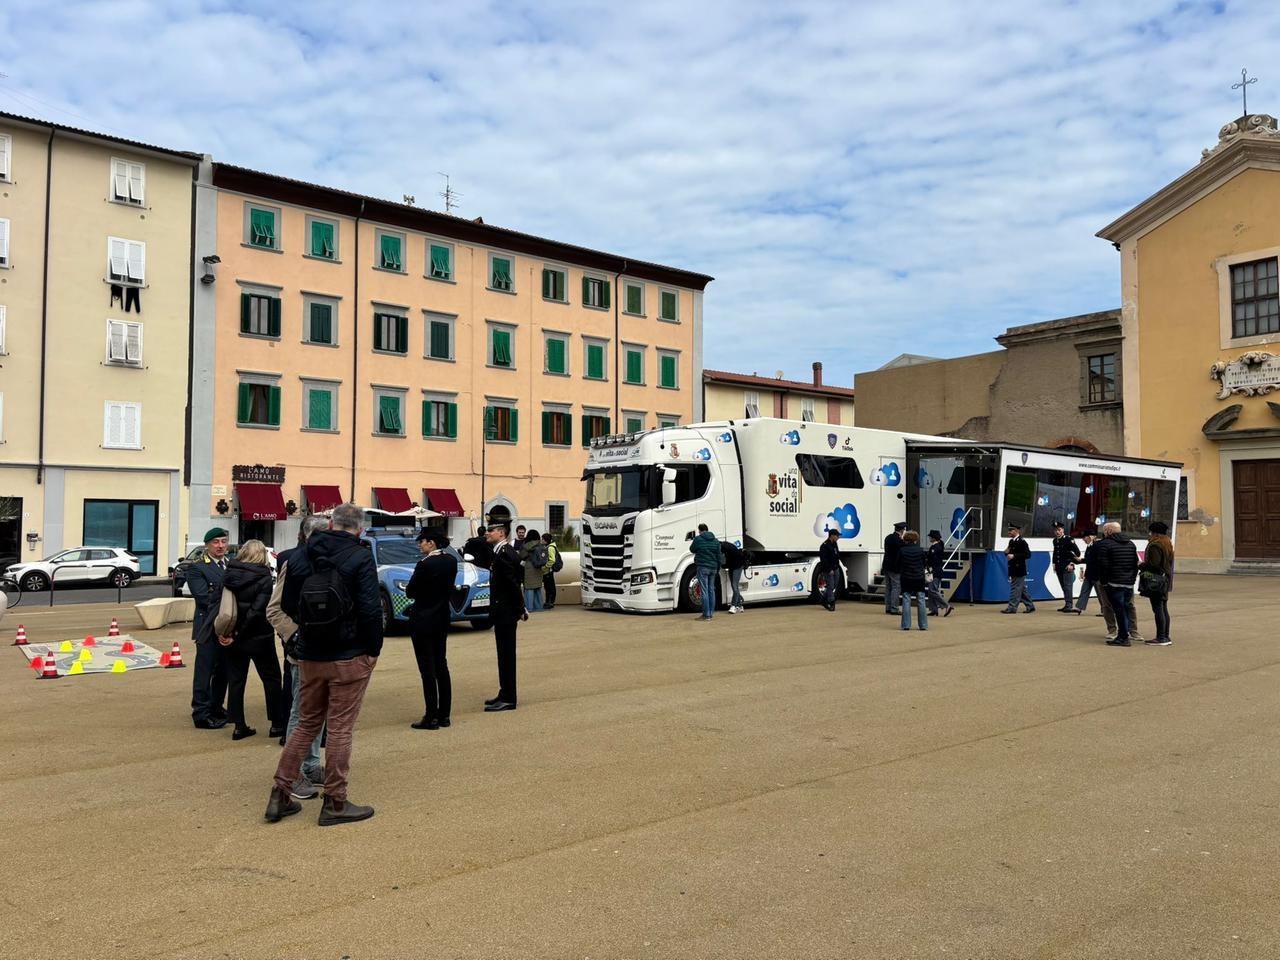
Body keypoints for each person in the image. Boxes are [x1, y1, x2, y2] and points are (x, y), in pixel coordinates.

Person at [266, 502, 383, 826]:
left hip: (310, 654)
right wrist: (373, 649)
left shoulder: (300, 556)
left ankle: (280, 792)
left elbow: (288, 604)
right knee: (340, 728)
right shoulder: (360, 556)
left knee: (306, 724)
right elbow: (370, 609)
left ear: (331, 524)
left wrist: (303, 637)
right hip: (349, 653)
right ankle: (335, 800)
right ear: (359, 529)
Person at [267, 515, 328, 801]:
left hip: (327, 652)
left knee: (319, 710)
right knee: (301, 713)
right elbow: (274, 609)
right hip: (302, 652)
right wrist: (295, 636)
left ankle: (311, 764)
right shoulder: (293, 562)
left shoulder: (333, 562)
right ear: (307, 537)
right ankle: (294, 774)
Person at [218, 540, 285, 742]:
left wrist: (229, 632)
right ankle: (277, 723)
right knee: (272, 679)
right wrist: (240, 632)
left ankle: (239, 726)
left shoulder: (229, 573)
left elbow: (221, 604)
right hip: (259, 636)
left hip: (232, 635)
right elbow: (257, 610)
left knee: (236, 681)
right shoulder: (263, 577)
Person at [406, 528, 457, 729]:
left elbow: (411, 591)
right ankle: (444, 714)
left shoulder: (425, 564)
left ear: (431, 543)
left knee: (427, 669)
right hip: (441, 617)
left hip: (423, 619)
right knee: (441, 665)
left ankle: (431, 716)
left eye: (422, 541)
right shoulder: (451, 561)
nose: (420, 545)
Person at [188, 527, 231, 729]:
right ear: (207, 545)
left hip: (227, 626)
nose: (220, 546)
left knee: (223, 670)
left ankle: (216, 706)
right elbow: (203, 598)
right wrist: (230, 605)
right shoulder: (197, 567)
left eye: (223, 541)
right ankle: (201, 712)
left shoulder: (230, 564)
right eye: (216, 542)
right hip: (207, 626)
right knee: (204, 671)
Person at [484, 522, 526, 711]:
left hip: (506, 612)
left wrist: (520, 608)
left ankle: (509, 697)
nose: (487, 533)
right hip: (502, 610)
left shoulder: (505, 554)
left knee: (506, 656)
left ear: (501, 533)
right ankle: (504, 692)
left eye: (491, 530)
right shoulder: (500, 552)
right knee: (503, 655)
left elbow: (512, 584)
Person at [1091, 520, 1140, 647]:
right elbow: (1135, 564)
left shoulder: (1104, 544)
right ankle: (1129, 632)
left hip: (1113, 583)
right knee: (1127, 607)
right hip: (1128, 583)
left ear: (1108, 531)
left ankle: (1122, 636)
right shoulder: (1131, 544)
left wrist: (1104, 582)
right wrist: (1132, 580)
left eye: (1104, 530)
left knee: (1118, 610)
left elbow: (1103, 565)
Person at [1139, 521, 1174, 646]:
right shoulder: (1167, 542)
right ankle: (1165, 635)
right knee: (1163, 607)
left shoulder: (1155, 545)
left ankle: (1161, 637)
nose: (1150, 534)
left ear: (1155, 533)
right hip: (1165, 579)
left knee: (1158, 608)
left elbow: (1154, 565)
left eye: (1151, 532)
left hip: (1156, 580)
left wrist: (1141, 565)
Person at [1001, 523, 1035, 614]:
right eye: (1009, 530)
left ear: (1016, 531)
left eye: (1011, 530)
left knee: (1015, 589)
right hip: (1012, 568)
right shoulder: (1011, 541)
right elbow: (1009, 551)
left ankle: (1012, 607)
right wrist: (1006, 552)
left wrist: (1014, 556)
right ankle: (1030, 606)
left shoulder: (1022, 542)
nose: (1009, 532)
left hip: (1019, 569)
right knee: (1021, 589)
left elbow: (1028, 555)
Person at [689, 523, 721, 621]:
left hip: (703, 567)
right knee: (711, 590)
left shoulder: (698, 539)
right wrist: (718, 568)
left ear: (700, 530)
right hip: (713, 568)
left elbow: (692, 549)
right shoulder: (716, 541)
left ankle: (706, 615)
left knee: (704, 591)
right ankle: (710, 613)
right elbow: (719, 556)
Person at [898, 530, 929, 631]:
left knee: (906, 600)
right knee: (921, 600)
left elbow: (897, 563)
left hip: (906, 578)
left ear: (906, 540)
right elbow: (924, 564)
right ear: (916, 540)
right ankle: (923, 625)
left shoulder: (902, 550)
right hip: (919, 578)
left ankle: (906, 625)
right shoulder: (920, 550)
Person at [1051, 521, 1081, 612]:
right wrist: (1054, 564)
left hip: (1068, 566)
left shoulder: (1069, 539)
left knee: (1068, 586)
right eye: (1055, 530)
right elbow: (1056, 553)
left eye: (1059, 530)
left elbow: (1077, 553)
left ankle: (1069, 605)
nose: (1057, 532)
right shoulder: (1055, 540)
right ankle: (1067, 604)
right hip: (1059, 566)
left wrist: (1071, 563)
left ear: (1063, 530)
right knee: (1063, 586)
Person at [925, 530, 954, 617]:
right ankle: (933, 609)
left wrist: (926, 561)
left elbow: (932, 560)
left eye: (930, 537)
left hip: (935, 571)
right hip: (935, 571)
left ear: (934, 538)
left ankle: (946, 605)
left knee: (932, 590)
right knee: (931, 590)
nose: (929, 538)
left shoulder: (936, 547)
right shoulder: (937, 546)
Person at [520, 529, 547, 612]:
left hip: (529, 567)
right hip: (538, 568)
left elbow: (522, 556)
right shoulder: (540, 544)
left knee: (529, 588)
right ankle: (539, 607)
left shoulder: (526, 545)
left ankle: (529, 607)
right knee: (537, 588)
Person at [1072, 531, 1099, 614]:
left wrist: (1081, 560)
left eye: (1084, 537)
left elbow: (1094, 559)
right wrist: (1080, 560)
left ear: (1090, 537)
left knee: (1100, 594)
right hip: (1089, 573)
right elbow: (1089, 559)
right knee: (1084, 590)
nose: (1083, 539)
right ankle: (1079, 607)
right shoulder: (1089, 546)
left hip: (1097, 574)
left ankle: (1105, 610)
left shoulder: (1097, 546)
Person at [881, 522, 904, 615]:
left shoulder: (888, 537)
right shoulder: (899, 540)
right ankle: (894, 608)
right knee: (896, 587)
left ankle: (888, 607)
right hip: (895, 566)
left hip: (886, 565)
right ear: (902, 530)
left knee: (888, 587)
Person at [720, 538, 748, 614]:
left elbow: (723, 562)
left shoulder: (723, 549)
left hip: (737, 566)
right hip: (732, 566)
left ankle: (733, 606)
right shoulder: (724, 546)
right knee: (734, 586)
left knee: (734, 585)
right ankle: (740, 605)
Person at [818, 528, 841, 612]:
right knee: (830, 585)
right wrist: (829, 569)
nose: (838, 537)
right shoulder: (824, 546)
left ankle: (823, 599)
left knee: (834, 584)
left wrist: (837, 566)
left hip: (835, 567)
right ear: (832, 536)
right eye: (837, 536)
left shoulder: (834, 544)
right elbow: (824, 559)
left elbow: (836, 555)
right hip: (828, 569)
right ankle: (831, 602)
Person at [541, 532, 559, 610]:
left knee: (550, 587)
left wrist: (545, 567)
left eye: (542, 539)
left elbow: (552, 560)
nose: (541, 540)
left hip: (548, 571)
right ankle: (548, 602)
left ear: (546, 540)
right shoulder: (548, 547)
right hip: (548, 571)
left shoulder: (550, 548)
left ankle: (550, 602)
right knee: (548, 587)